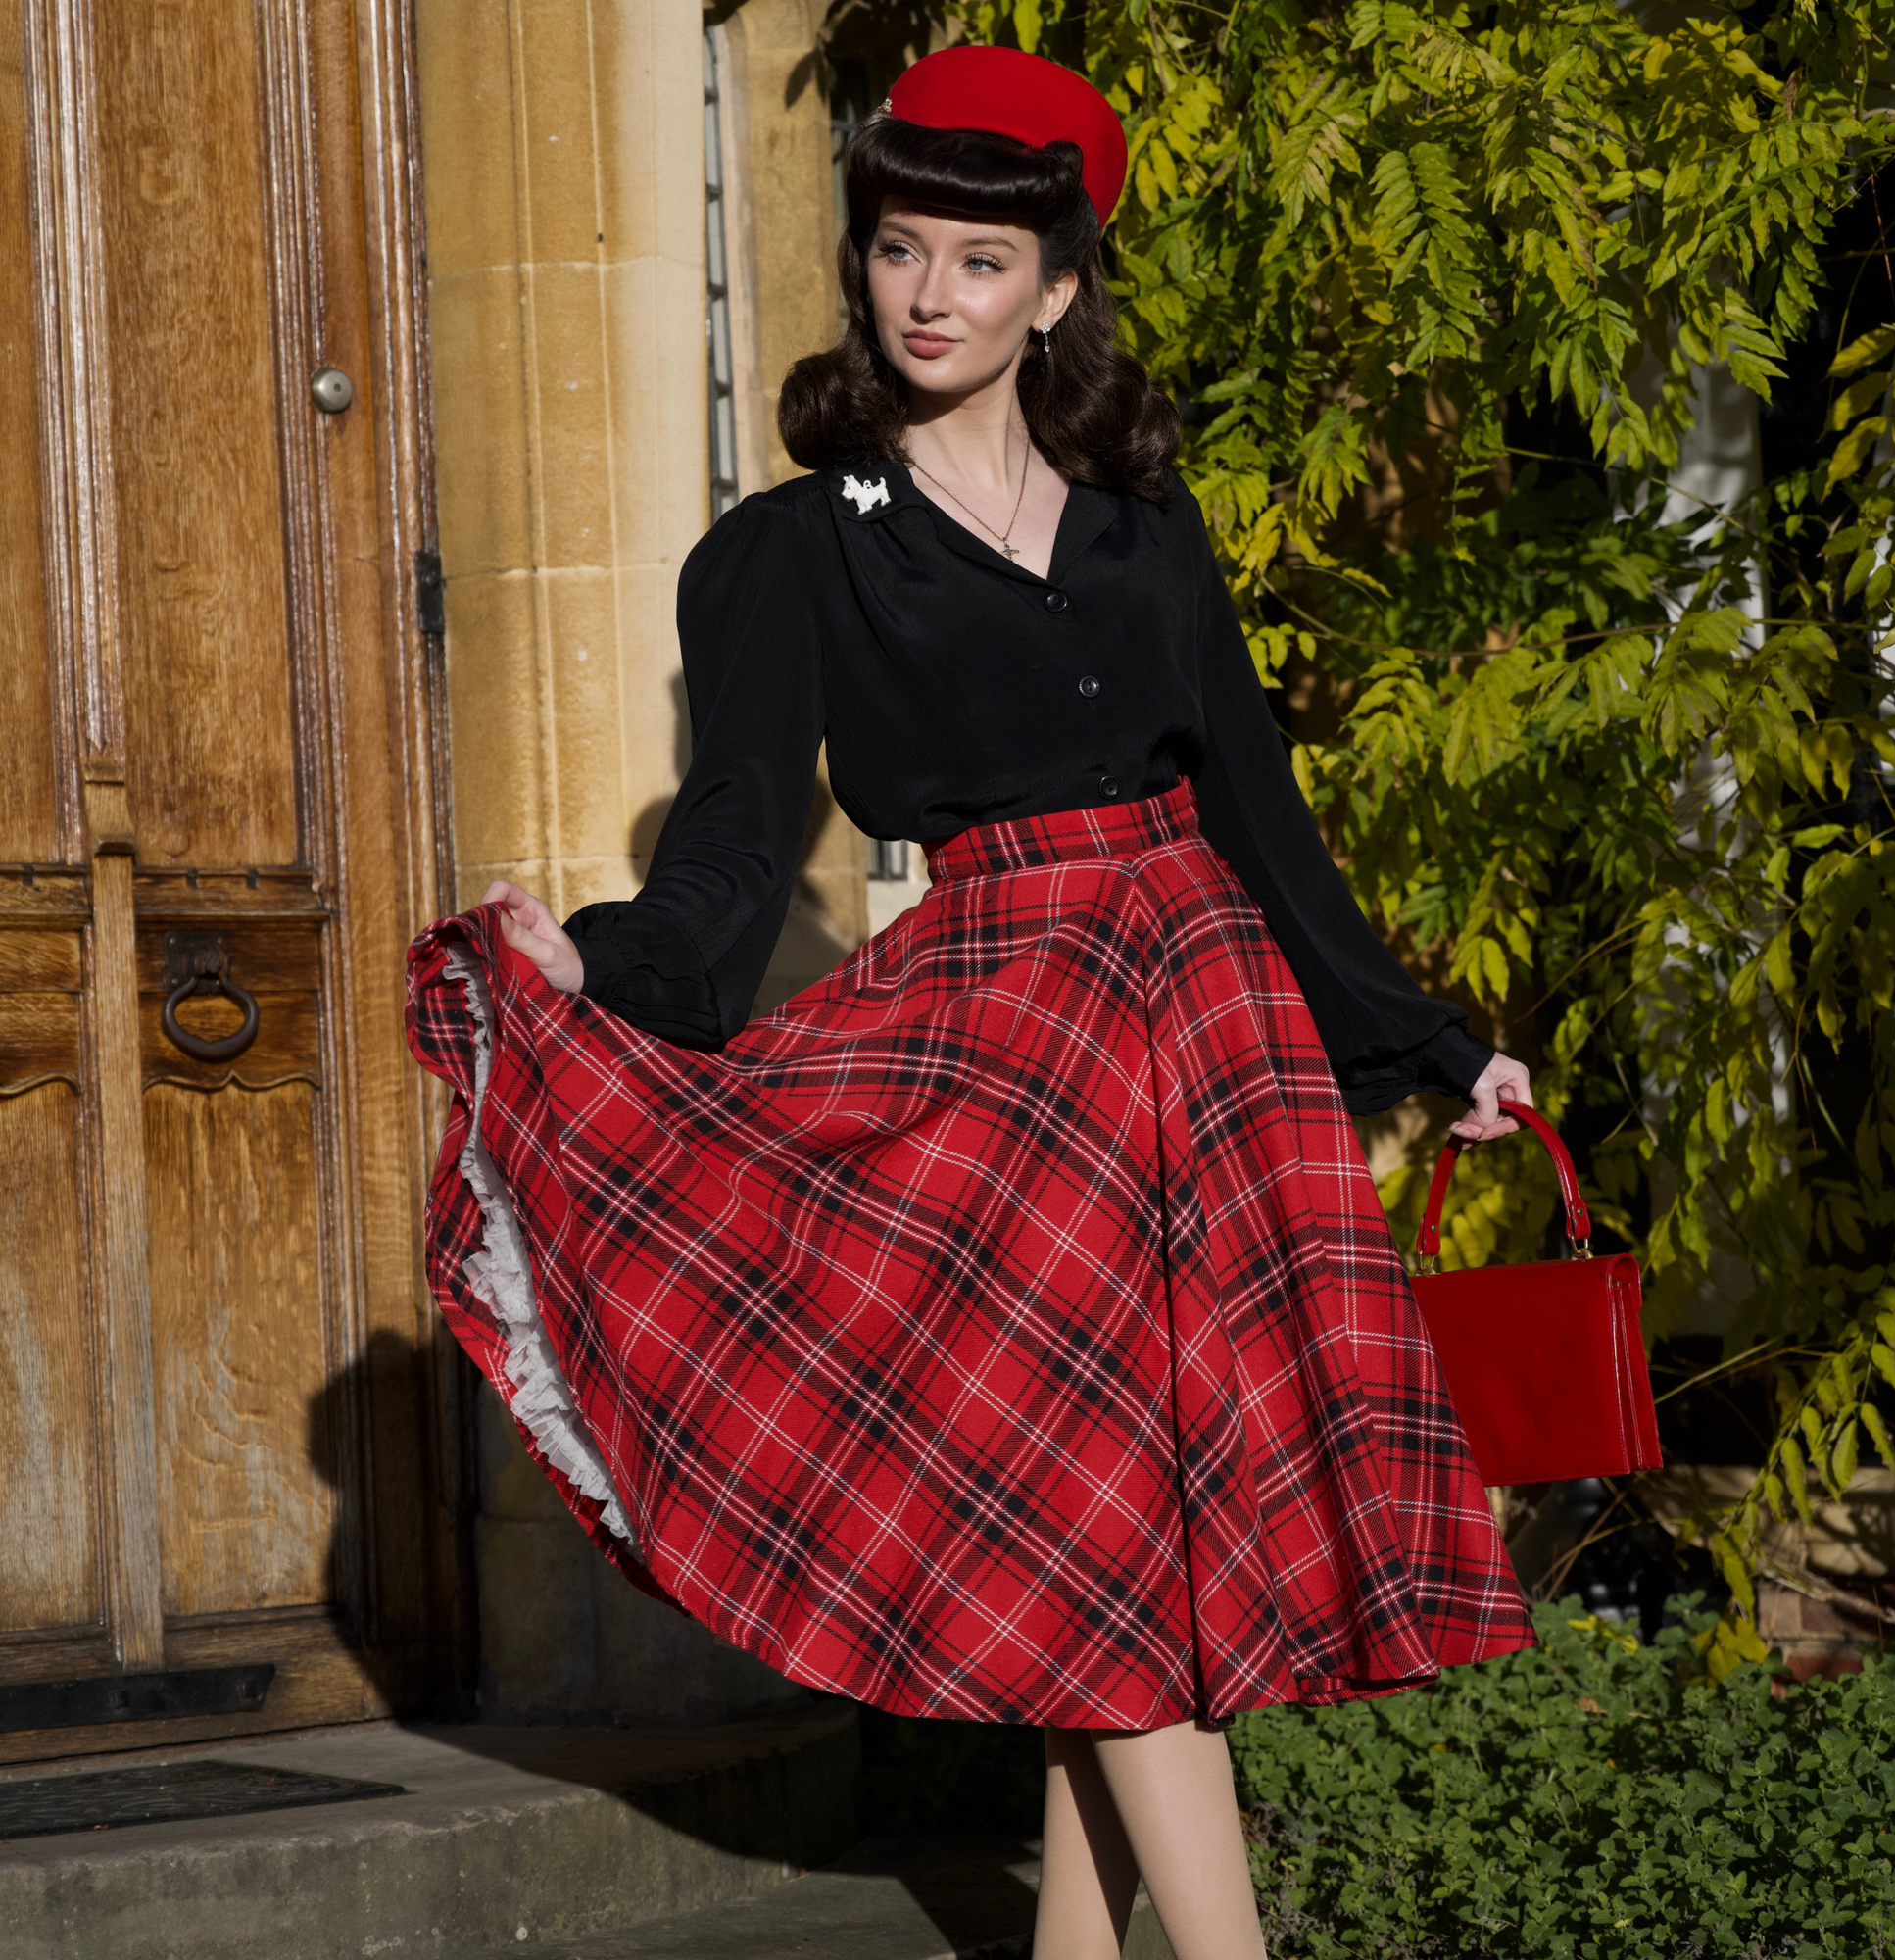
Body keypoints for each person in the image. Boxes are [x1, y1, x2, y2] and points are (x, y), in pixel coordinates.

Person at [405, 43, 1534, 1960]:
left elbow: (1259, 816)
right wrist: (592, 956)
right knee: (1108, 1537)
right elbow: (735, 841)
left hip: (1209, 1037)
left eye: (982, 262)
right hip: (1006, 1050)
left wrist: (1429, 1040)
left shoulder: (1146, 520)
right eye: (899, 249)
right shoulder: (793, 546)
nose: (930, 294)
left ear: (1056, 290)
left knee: (1136, 1552)